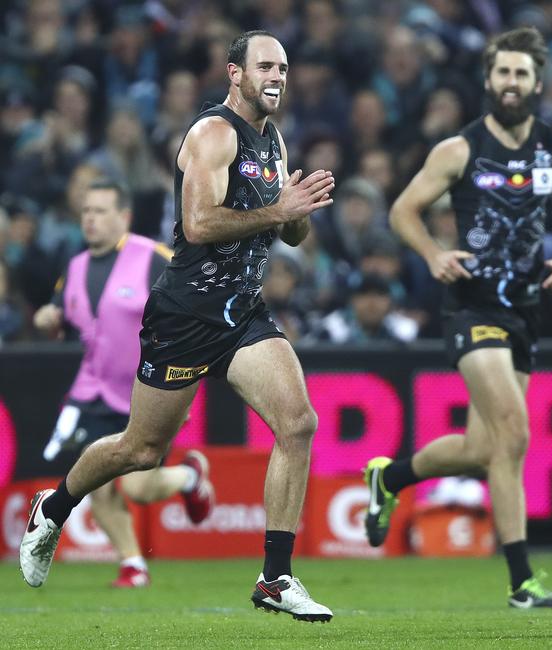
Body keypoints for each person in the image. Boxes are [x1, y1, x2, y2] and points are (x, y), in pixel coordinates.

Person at [20, 30, 335, 623]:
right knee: (141, 450)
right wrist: (278, 210)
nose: (278, 76)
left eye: (285, 67)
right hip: (185, 316)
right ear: (234, 73)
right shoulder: (213, 132)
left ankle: (275, 576)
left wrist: (297, 213)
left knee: (298, 424)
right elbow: (197, 224)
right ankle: (55, 507)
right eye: (266, 65)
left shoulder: (273, 141)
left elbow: (286, 232)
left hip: (241, 313)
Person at [363, 27, 552, 609]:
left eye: (520, 74)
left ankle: (388, 480)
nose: (510, 83)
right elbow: (402, 211)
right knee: (514, 433)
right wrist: (434, 254)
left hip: (525, 310)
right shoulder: (459, 149)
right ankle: (522, 582)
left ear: (537, 83)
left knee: (481, 446)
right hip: (472, 307)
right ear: (487, 81)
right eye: (502, 73)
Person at [32, 179, 215, 587]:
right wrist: (48, 317)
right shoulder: (76, 266)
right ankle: (133, 564)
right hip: (93, 393)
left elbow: (193, 307)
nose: (90, 220)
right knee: (96, 484)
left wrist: (186, 383)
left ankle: (190, 477)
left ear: (124, 216)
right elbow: (62, 314)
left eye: (100, 211)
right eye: (85, 211)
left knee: (138, 486)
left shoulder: (153, 259)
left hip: (146, 390)